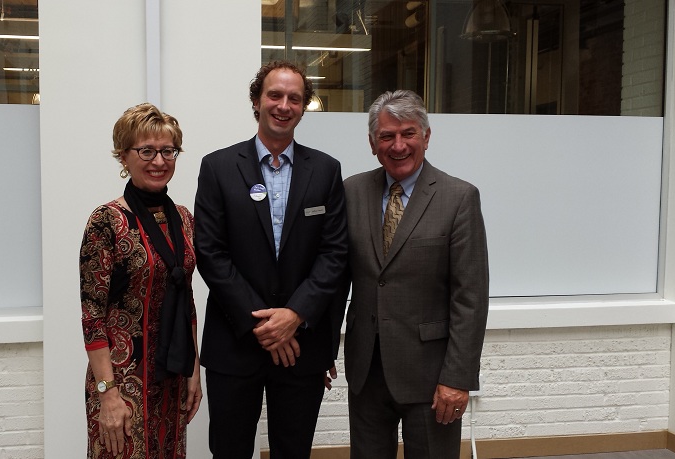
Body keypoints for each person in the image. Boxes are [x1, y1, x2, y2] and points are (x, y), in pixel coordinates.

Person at [194, 61, 348, 459]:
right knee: (229, 451)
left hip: (301, 347)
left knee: (292, 452)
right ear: (257, 101)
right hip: (235, 343)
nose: (284, 105)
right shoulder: (218, 168)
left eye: (294, 98)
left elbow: (334, 255)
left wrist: (294, 316)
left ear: (303, 105)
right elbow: (211, 254)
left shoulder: (327, 171)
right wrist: (265, 326)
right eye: (274, 95)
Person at [343, 90, 489, 459]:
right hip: (366, 372)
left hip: (432, 375)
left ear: (426, 136)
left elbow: (470, 297)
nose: (398, 145)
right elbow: (334, 276)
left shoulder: (459, 197)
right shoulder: (351, 192)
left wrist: (457, 379)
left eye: (408, 133)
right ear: (372, 143)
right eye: (387, 136)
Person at [79, 103, 202, 459]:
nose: (159, 161)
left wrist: (194, 371)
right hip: (120, 382)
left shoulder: (183, 219)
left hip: (172, 377)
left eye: (168, 151)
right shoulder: (107, 221)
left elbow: (187, 301)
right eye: (146, 151)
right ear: (123, 157)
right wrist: (107, 393)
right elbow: (92, 315)